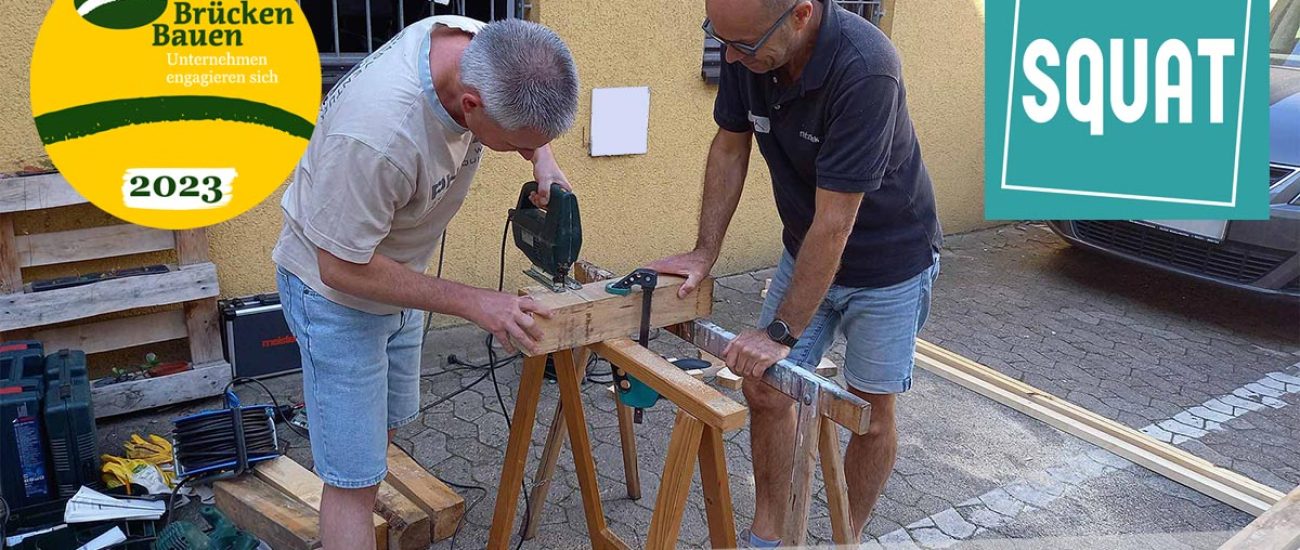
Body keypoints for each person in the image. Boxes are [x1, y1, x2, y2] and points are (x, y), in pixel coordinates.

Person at [271, 15, 579, 549]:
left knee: (376, 440)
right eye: (512, 145)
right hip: (335, 292)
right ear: (471, 107)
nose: (517, 152)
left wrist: (543, 160)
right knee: (350, 482)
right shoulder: (376, 136)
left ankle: (365, 486)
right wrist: (476, 301)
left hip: (395, 270)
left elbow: (526, 116)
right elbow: (338, 266)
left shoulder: (488, 48)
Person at [648, 0, 942, 545]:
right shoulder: (748, 50)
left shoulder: (867, 68)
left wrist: (780, 333)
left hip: (888, 261)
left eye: (745, 46)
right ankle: (771, 530)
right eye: (720, 40)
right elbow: (730, 148)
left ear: (802, 14)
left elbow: (836, 224)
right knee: (765, 388)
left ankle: (843, 534)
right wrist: (702, 253)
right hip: (804, 245)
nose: (731, 57)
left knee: (868, 413)